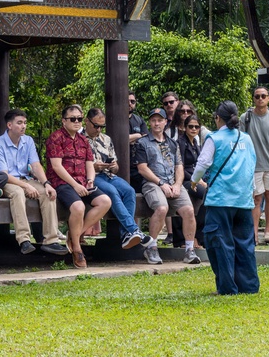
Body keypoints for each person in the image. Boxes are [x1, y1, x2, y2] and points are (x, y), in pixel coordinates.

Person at [190, 101, 258, 295]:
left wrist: (195, 181)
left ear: (217, 118)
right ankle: (249, 287)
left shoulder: (214, 138)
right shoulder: (246, 138)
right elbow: (251, 164)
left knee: (220, 244)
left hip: (220, 200)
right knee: (244, 244)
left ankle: (227, 287)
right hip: (243, 200)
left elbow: (203, 163)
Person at [0, 108, 69, 257]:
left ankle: (51, 240)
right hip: (5, 181)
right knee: (18, 193)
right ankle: (24, 240)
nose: (23, 126)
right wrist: (25, 186)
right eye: (19, 123)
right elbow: (4, 175)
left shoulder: (28, 140)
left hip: (25, 179)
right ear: (9, 125)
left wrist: (46, 183)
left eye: (25, 123)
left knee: (47, 193)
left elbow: (36, 165)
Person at [46, 105, 112, 268]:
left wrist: (90, 180)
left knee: (105, 201)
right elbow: (56, 166)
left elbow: (89, 163)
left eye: (79, 119)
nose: (76, 122)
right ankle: (77, 247)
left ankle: (74, 235)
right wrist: (75, 185)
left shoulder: (83, 140)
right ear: (63, 121)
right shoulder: (55, 138)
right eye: (72, 119)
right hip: (62, 183)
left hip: (82, 182)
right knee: (78, 207)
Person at [134, 107, 200, 265]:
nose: (156, 123)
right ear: (150, 122)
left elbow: (179, 167)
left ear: (165, 122)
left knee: (189, 210)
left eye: (159, 120)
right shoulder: (142, 142)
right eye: (153, 120)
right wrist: (161, 183)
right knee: (162, 208)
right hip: (152, 183)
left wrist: (177, 184)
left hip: (172, 182)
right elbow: (142, 168)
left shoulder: (173, 143)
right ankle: (152, 248)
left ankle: (189, 250)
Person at [84, 107, 148, 249]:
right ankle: (133, 230)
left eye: (102, 126)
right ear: (87, 121)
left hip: (108, 174)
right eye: (96, 126)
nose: (99, 129)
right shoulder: (80, 139)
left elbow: (116, 166)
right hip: (91, 176)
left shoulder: (106, 139)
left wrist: (113, 166)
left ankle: (126, 234)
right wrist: (94, 167)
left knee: (129, 191)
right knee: (112, 191)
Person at [239, 86, 269, 244]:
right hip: (252, 166)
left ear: (268, 98)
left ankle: (268, 231)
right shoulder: (245, 117)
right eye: (257, 96)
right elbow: (239, 142)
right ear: (253, 98)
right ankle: (254, 234)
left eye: (263, 96)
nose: (260, 99)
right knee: (256, 199)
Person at [178, 113, 207, 247]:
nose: (194, 129)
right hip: (184, 179)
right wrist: (196, 179)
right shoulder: (181, 143)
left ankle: (200, 235)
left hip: (195, 179)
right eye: (191, 126)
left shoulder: (196, 142)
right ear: (185, 127)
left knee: (210, 192)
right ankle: (196, 236)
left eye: (197, 127)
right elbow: (180, 167)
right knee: (206, 194)